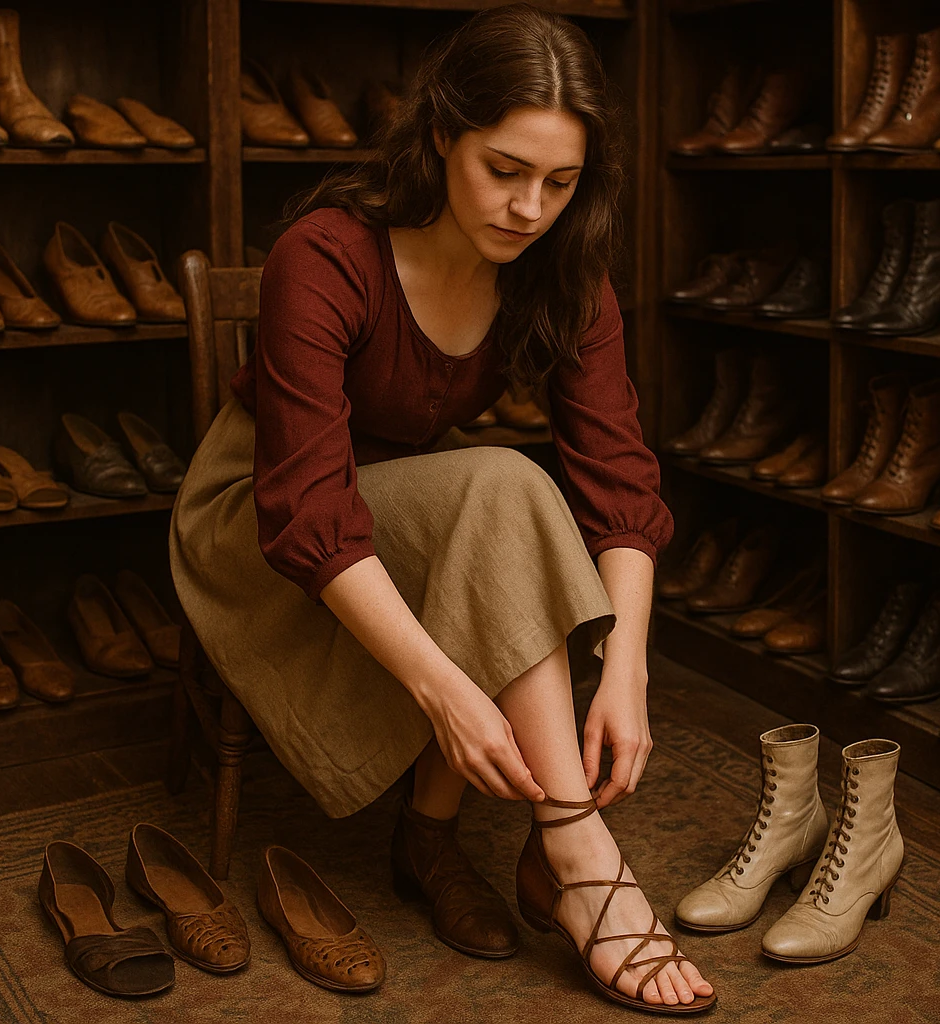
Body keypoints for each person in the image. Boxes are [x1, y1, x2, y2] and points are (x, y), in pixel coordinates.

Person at [170, 3, 714, 1012]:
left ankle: (434, 836)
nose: (529, 207)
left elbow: (619, 476)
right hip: (258, 513)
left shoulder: (562, 272)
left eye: (560, 181)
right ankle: (577, 853)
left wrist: (629, 667)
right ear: (439, 136)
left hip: (404, 495)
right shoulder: (327, 253)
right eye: (503, 169)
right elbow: (307, 505)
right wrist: (444, 691)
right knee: (502, 485)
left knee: (500, 490)